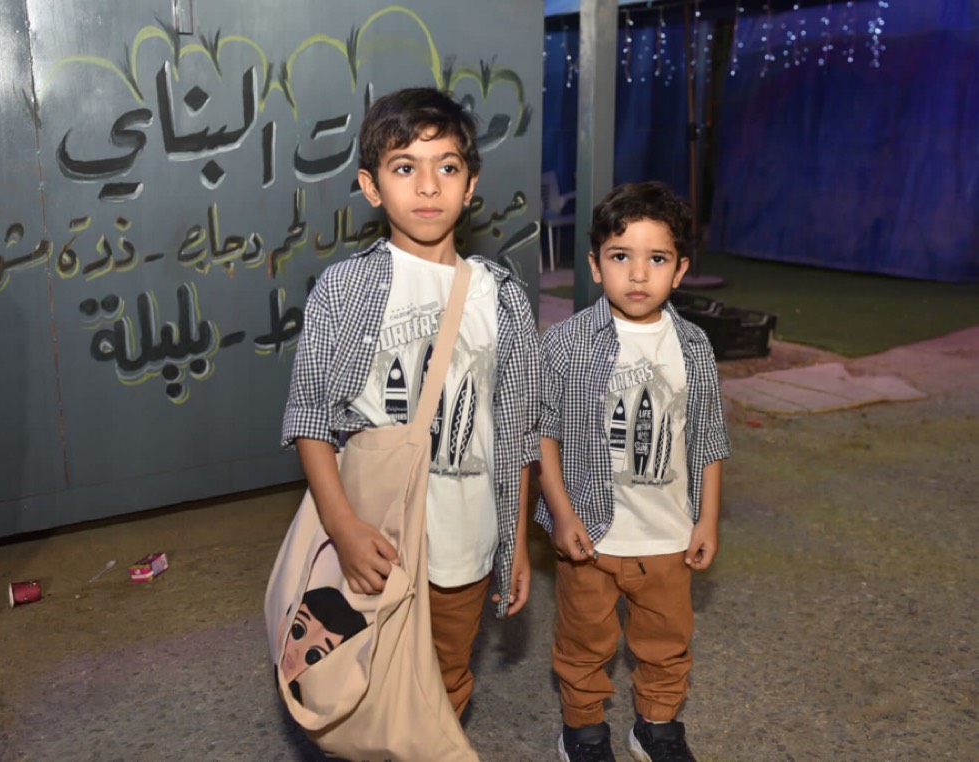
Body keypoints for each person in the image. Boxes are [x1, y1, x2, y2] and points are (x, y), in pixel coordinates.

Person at [280, 87, 540, 720]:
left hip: (466, 539)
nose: (428, 186)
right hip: (374, 535)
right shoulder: (345, 289)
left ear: (470, 185)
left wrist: (516, 541)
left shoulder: (503, 298)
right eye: (405, 167)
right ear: (371, 187)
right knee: (359, 679)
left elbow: (517, 431)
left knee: (444, 677)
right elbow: (310, 417)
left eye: (446, 167)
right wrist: (343, 528)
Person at [536, 181, 732, 762]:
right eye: (621, 256)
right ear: (596, 266)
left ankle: (656, 726)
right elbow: (542, 435)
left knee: (667, 642)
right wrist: (561, 514)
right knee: (583, 643)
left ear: (681, 270)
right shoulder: (566, 344)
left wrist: (707, 520)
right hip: (591, 537)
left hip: (669, 536)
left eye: (658, 259)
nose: (639, 274)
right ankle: (583, 731)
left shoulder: (694, 346)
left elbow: (708, 439)